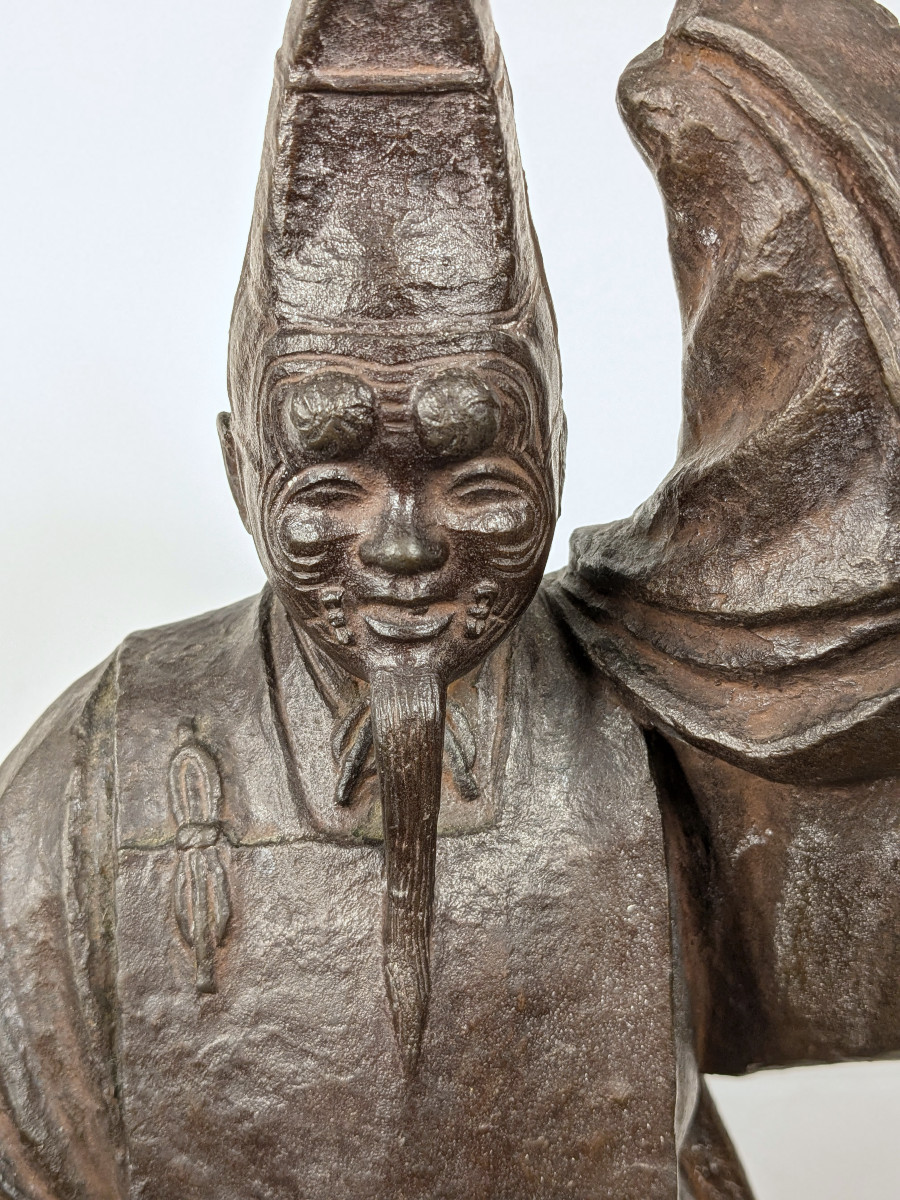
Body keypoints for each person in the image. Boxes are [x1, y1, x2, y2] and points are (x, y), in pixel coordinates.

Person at [0, 0, 897, 1197]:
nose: (407, 544)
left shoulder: (669, 718)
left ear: (558, 453)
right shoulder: (104, 766)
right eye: (332, 480)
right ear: (239, 467)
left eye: (478, 477)